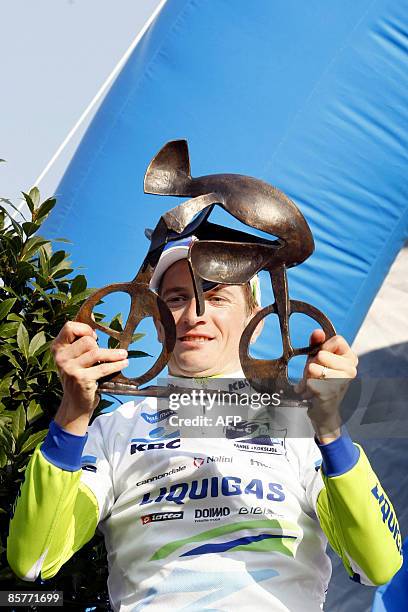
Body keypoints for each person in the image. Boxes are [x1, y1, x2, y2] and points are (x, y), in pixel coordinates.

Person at [7, 237, 402, 611]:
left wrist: (329, 427)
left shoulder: (298, 424)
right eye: (177, 298)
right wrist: (73, 413)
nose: (196, 314)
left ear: (257, 320)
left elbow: (376, 563)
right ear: (158, 321)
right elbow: (33, 559)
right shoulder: (113, 430)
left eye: (216, 297)